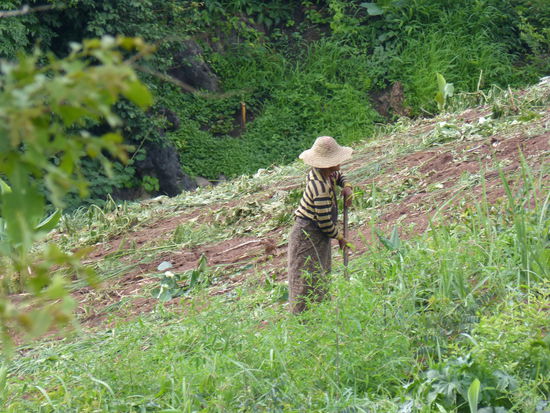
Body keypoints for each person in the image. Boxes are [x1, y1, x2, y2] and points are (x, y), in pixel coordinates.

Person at [288, 136, 353, 314]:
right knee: (306, 277)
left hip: (319, 234)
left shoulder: (326, 173)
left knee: (321, 272)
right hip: (308, 235)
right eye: (336, 161)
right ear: (327, 164)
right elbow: (324, 222)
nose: (339, 163)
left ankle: (320, 313)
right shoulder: (319, 188)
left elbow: (339, 175)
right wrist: (340, 237)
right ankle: (304, 319)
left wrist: (347, 186)